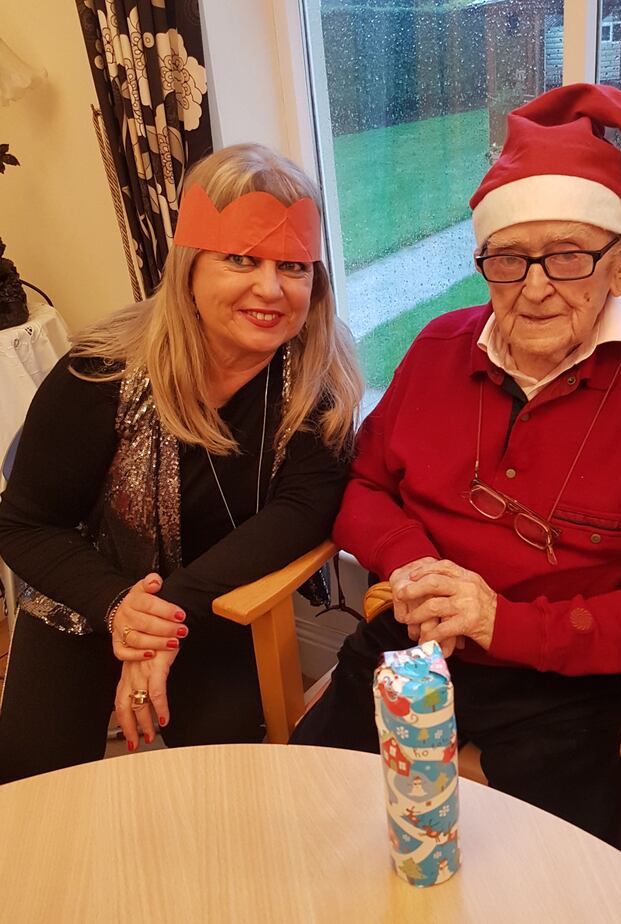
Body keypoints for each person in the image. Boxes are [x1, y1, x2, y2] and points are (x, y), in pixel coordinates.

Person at [291, 84, 621, 848]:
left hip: (568, 681)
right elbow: (365, 485)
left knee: (553, 880)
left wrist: (505, 622)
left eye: (569, 256)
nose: (536, 288)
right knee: (306, 822)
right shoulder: (441, 348)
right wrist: (414, 568)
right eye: (509, 259)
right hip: (414, 649)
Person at [0, 143, 363, 783]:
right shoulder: (100, 374)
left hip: (212, 603)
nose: (270, 289)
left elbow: (302, 510)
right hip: (82, 593)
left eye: (294, 266)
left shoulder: (315, 387)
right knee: (32, 782)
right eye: (241, 259)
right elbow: (25, 524)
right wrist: (118, 606)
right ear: (190, 268)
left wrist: (157, 630)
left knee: (225, 784)